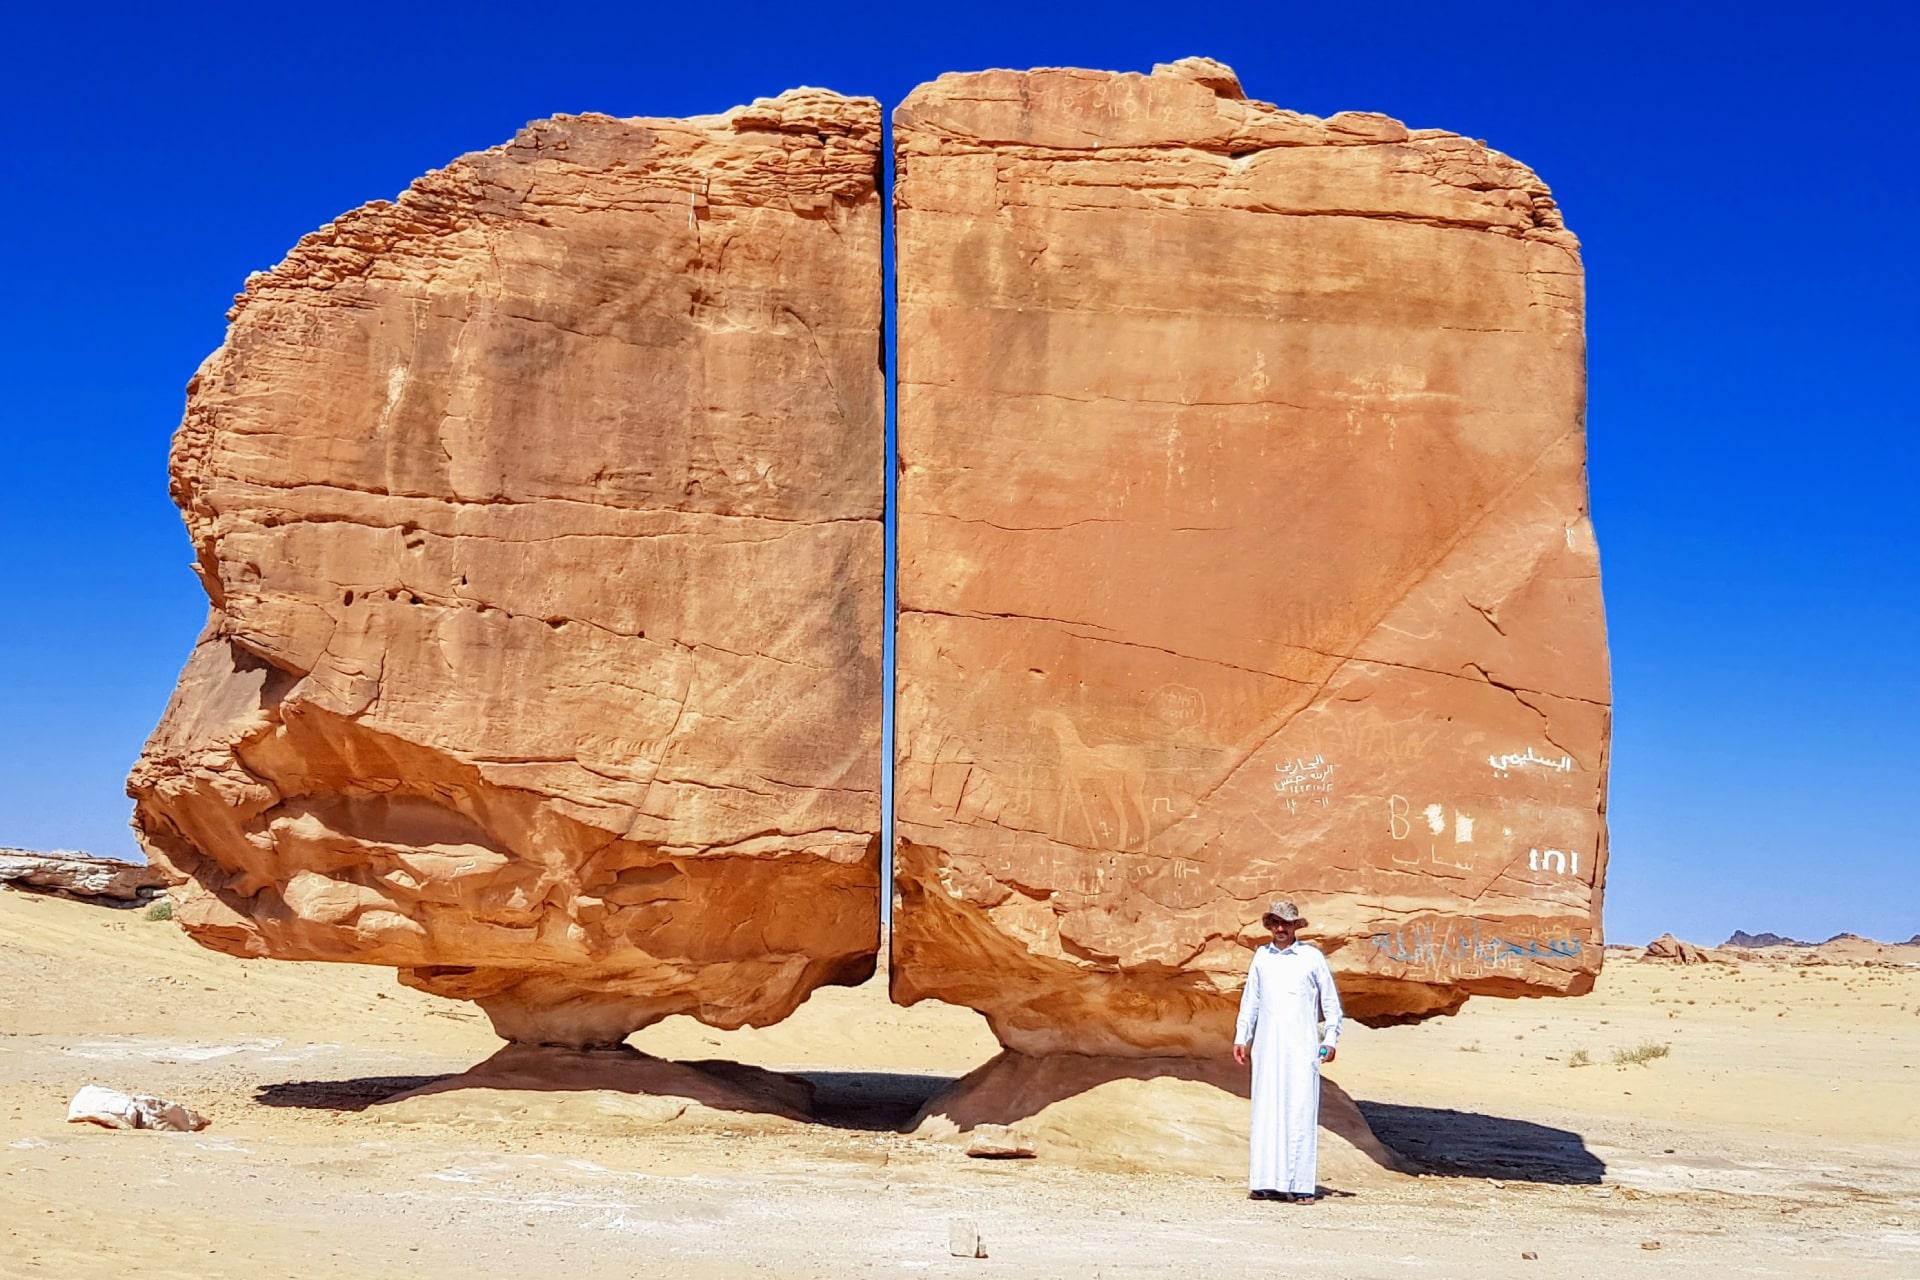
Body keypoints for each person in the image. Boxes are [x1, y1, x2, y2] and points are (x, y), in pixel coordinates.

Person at [1232, 898, 1344, 1203]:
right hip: (1267, 1048)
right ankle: (1264, 1181)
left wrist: (1330, 1039)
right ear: (1269, 925)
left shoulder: (1311, 957)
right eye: (1275, 923)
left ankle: (1300, 1185)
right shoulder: (1261, 957)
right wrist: (1242, 1037)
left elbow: (1330, 1003)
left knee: (1299, 1109)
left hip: (1302, 1046)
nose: (1281, 929)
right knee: (1266, 1110)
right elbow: (1251, 1001)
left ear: (1296, 926)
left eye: (1286, 923)